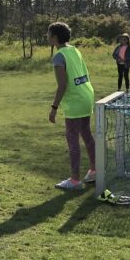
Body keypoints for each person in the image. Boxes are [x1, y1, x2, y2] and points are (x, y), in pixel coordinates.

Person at [48, 22, 96, 191]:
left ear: (54, 37)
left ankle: (75, 180)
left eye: (49, 34)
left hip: (75, 100)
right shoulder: (75, 50)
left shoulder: (59, 56)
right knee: (87, 134)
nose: (47, 37)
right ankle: (94, 170)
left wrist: (54, 108)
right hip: (86, 95)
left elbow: (62, 85)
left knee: (72, 138)